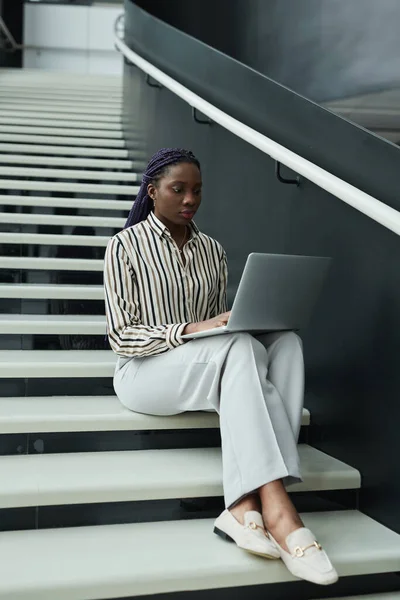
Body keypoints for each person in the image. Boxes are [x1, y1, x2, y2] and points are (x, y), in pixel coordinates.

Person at [104, 148, 338, 586]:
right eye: (178, 189)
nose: (190, 198)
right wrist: (192, 329)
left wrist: (237, 322)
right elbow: (122, 335)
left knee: (285, 343)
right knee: (239, 349)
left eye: (197, 190)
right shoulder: (124, 245)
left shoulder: (212, 249)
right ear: (152, 192)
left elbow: (225, 328)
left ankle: (245, 505)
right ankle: (276, 503)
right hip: (143, 372)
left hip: (200, 365)